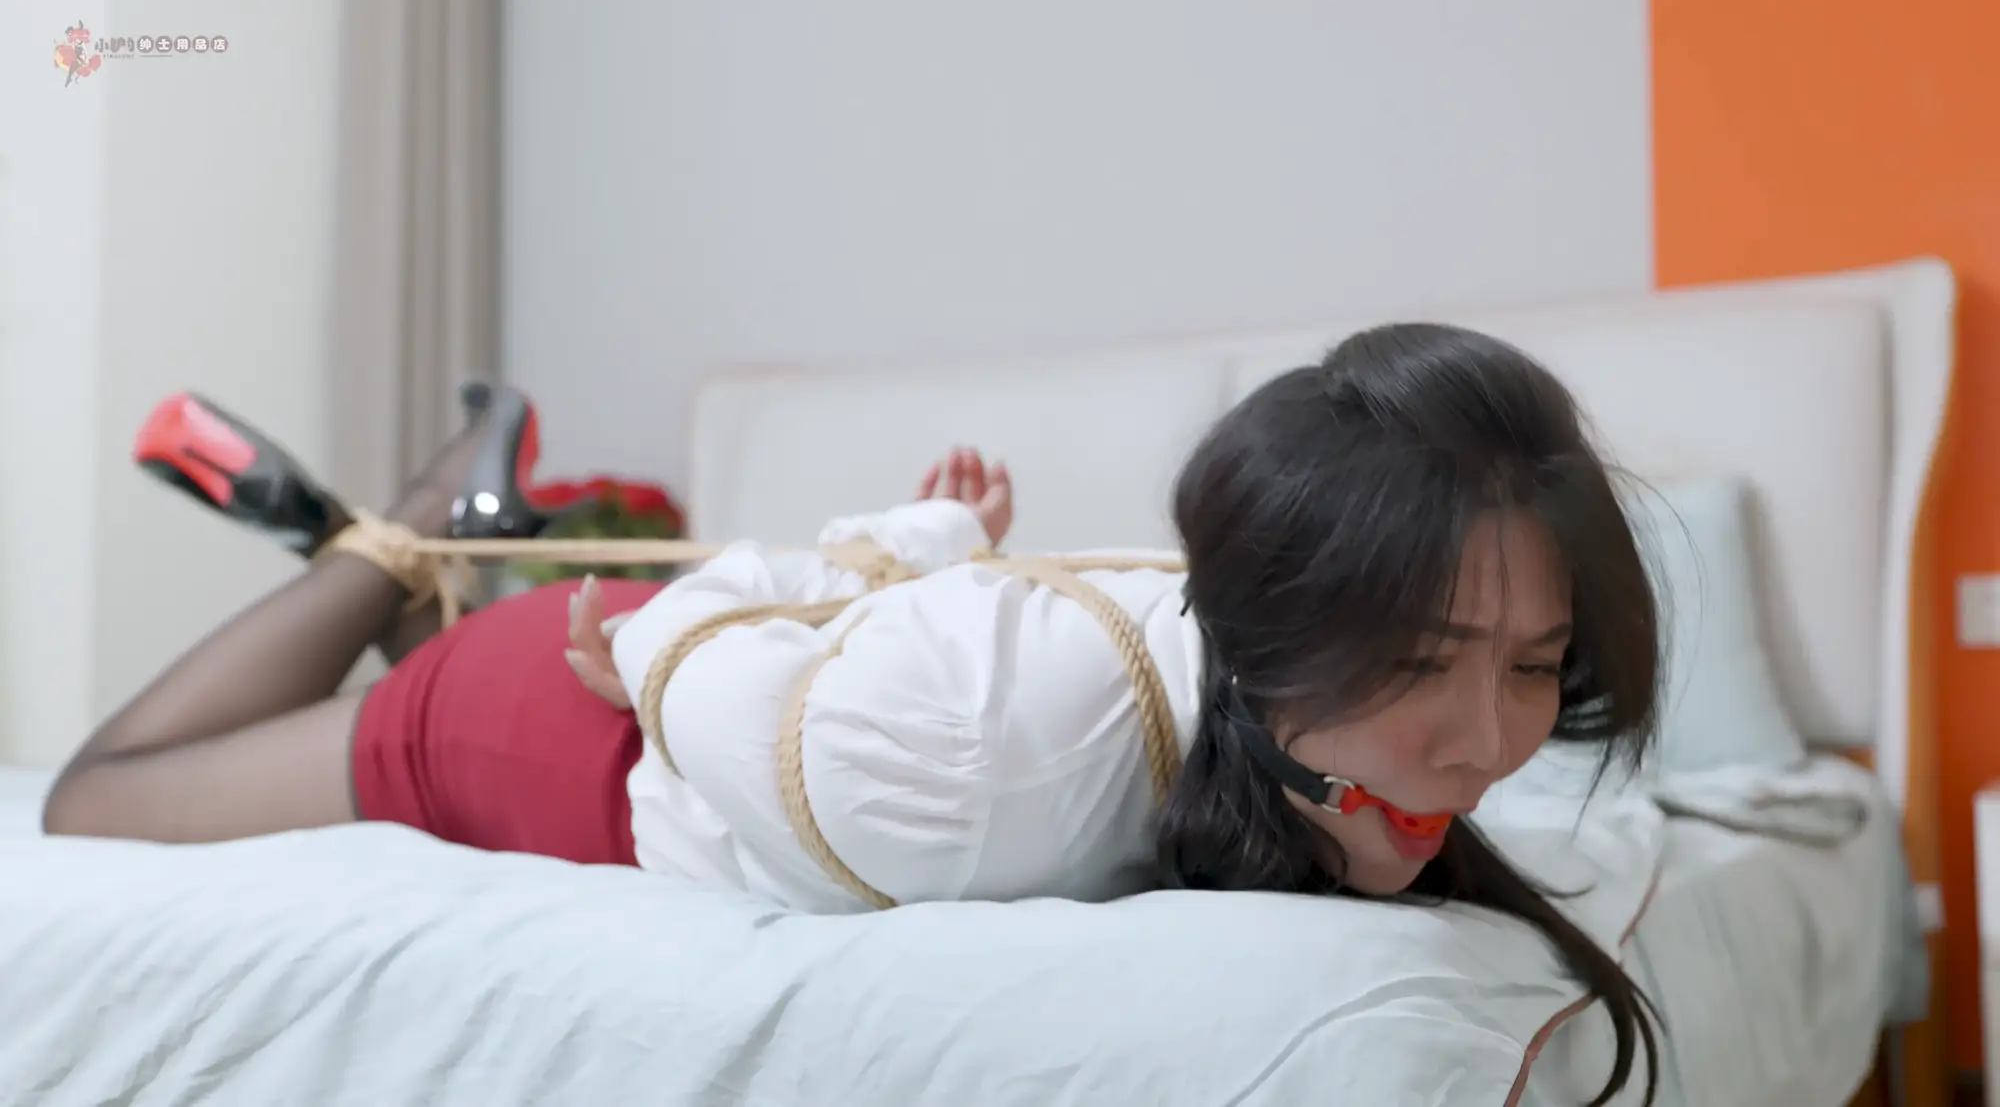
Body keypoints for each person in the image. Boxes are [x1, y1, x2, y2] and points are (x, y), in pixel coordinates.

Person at [44, 323, 1661, 1107]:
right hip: (572, 723)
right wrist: (659, 651)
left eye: (1536, 664)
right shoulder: (990, 761)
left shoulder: (1265, 700)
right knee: (101, 795)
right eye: (1425, 660)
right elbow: (732, 662)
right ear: (1282, 619)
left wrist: (925, 547)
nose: (1485, 739)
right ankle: (415, 533)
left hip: (747, 687)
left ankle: (424, 559)